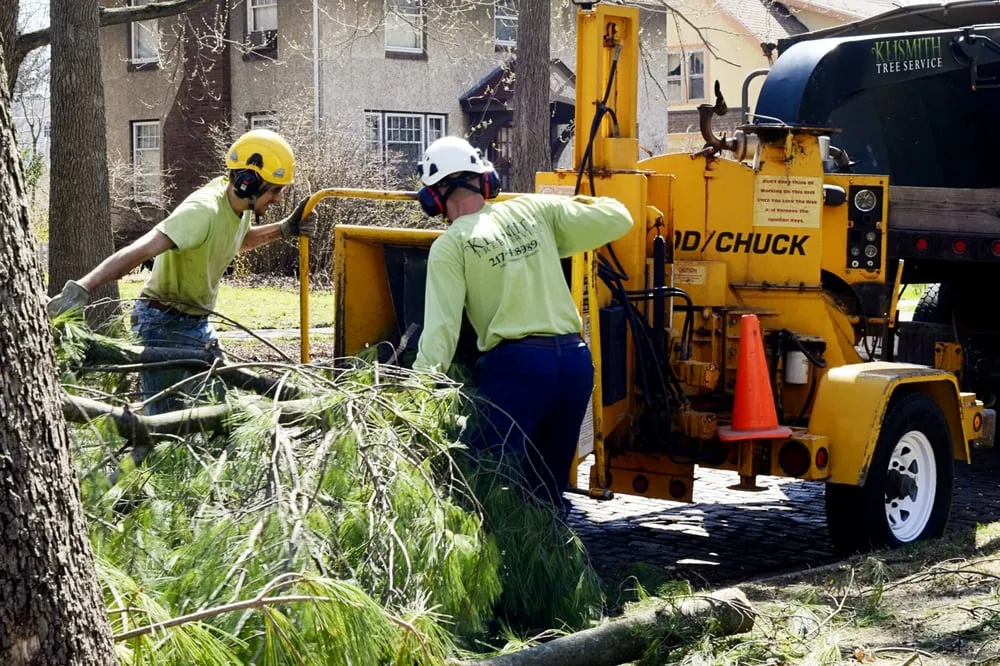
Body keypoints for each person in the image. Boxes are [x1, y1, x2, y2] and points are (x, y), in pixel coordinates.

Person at [412, 135, 634, 512]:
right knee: (546, 490)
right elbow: (619, 217)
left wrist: (414, 394)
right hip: (576, 364)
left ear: (435, 196)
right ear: (487, 179)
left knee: (485, 481)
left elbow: (441, 335)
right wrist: (561, 217)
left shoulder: (451, 245)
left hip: (519, 368)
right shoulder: (535, 210)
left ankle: (497, 564)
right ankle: (554, 560)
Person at [47, 128, 316, 414]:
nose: (277, 200)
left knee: (218, 414)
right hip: (164, 323)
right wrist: (82, 288)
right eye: (275, 190)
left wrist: (284, 229)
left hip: (197, 325)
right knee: (167, 424)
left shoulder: (238, 206)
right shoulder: (202, 211)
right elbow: (140, 250)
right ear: (248, 182)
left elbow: (238, 238)